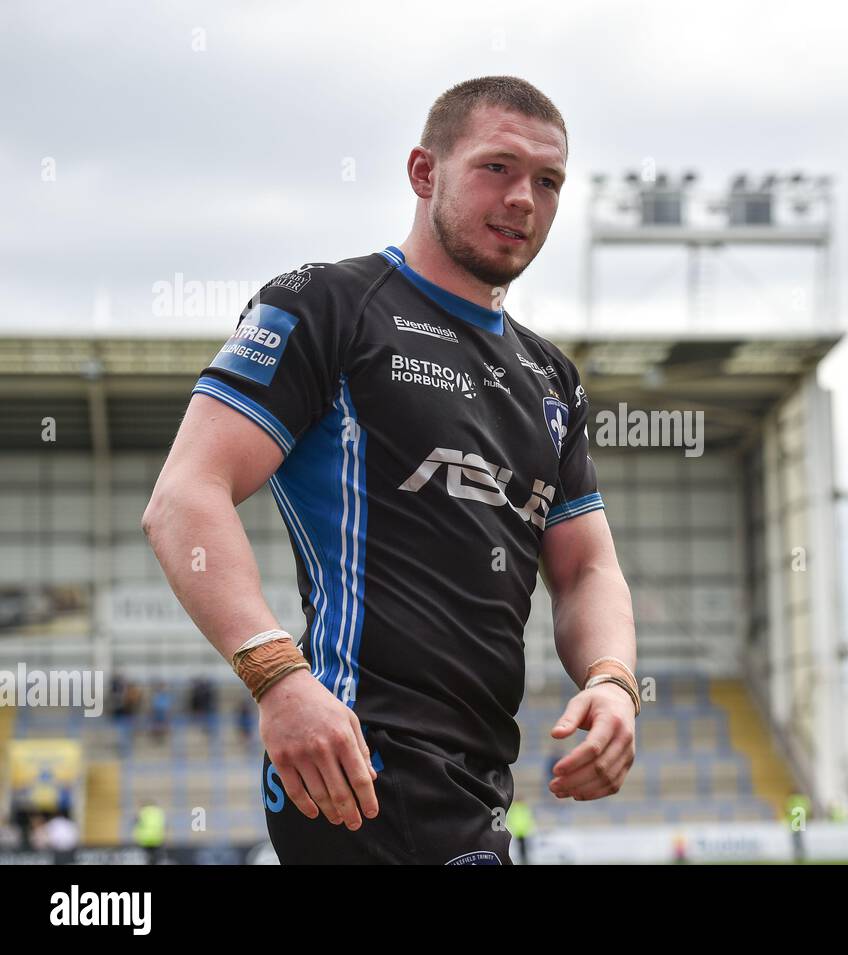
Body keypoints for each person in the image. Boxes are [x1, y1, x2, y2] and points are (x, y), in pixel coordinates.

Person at [142, 76, 638, 865]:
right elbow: (183, 498)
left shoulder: (551, 377)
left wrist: (613, 680)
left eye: (548, 181)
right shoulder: (326, 306)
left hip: (479, 781)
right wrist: (279, 678)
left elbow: (586, 569)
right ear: (423, 172)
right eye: (497, 168)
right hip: (355, 765)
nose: (524, 198)